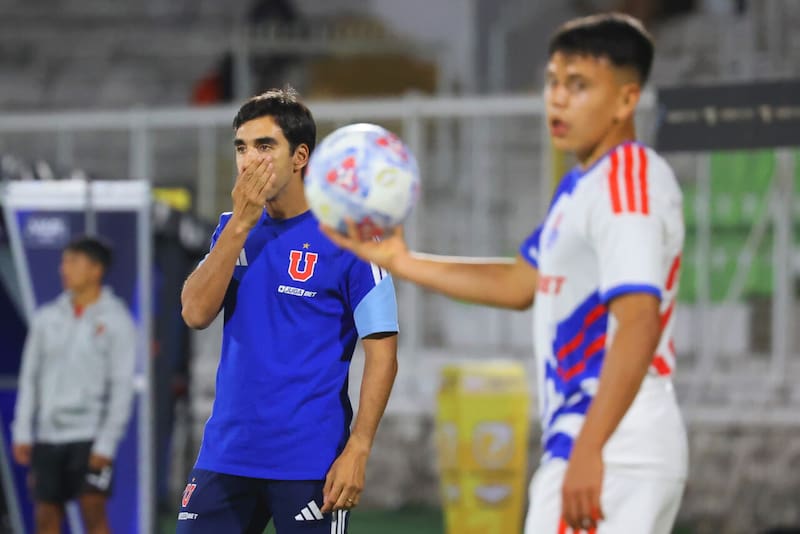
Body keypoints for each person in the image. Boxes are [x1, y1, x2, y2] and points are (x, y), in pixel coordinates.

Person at [322, 13, 687, 534]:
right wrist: (402, 261)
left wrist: (591, 449)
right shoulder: (581, 186)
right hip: (590, 441)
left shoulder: (627, 181)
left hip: (617, 444)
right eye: (552, 82)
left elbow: (639, 322)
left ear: (627, 99)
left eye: (578, 85)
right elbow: (520, 283)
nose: (557, 98)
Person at [178, 87, 399, 534]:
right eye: (241, 147)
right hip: (226, 454)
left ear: (300, 157)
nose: (249, 161)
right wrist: (240, 225)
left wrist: (358, 448)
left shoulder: (351, 235)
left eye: (264, 146)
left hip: (310, 462)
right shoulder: (231, 230)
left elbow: (383, 351)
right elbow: (195, 313)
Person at [12, 237, 136, 534]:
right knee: (46, 515)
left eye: (72, 262)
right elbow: (30, 378)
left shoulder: (117, 320)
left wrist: (106, 442)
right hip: (48, 435)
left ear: (95, 270)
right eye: (64, 262)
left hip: (90, 435)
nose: (63, 269)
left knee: (93, 511)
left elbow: (122, 386)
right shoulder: (46, 318)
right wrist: (23, 431)